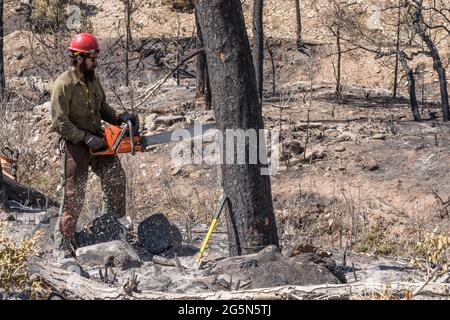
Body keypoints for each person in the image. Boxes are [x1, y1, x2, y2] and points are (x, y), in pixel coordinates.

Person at [51, 33, 138, 258]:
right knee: (73, 194)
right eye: (92, 57)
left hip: (98, 140)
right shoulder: (63, 85)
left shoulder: (93, 79)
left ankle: (111, 231)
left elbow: (103, 108)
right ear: (79, 58)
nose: (95, 62)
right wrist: (84, 138)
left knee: (116, 178)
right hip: (75, 143)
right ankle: (62, 245)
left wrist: (120, 117)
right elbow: (60, 123)